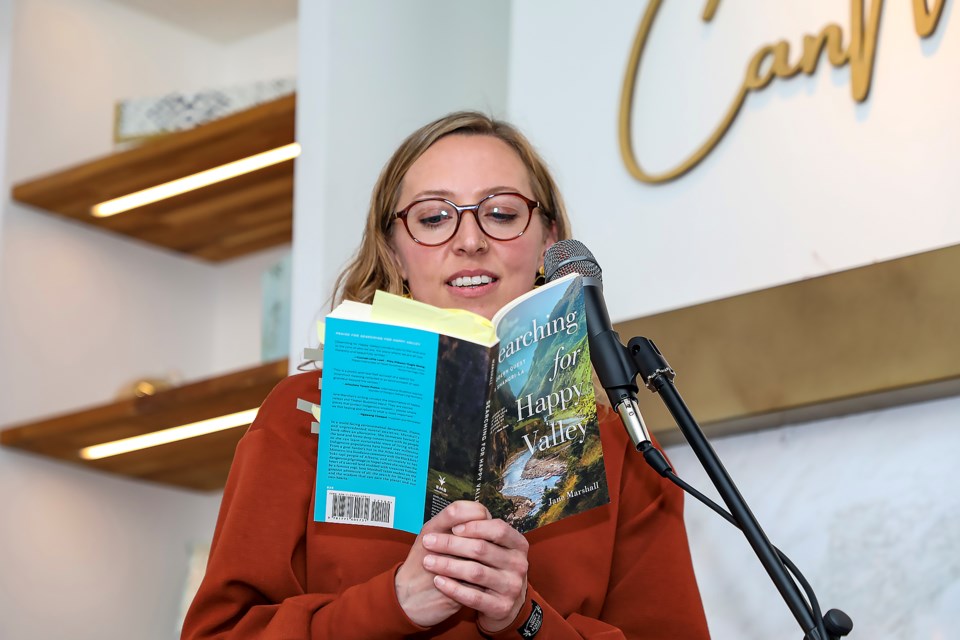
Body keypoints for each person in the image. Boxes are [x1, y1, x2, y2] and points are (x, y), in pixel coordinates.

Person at [181, 112, 711, 639]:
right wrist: (394, 603)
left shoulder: (623, 450)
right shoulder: (303, 413)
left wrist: (522, 618)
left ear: (549, 243)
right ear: (394, 250)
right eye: (434, 218)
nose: (470, 240)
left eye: (501, 213)